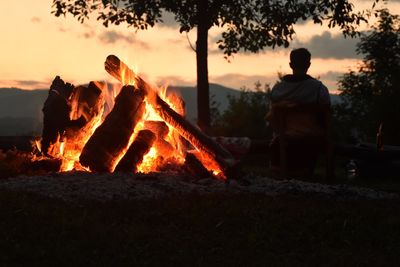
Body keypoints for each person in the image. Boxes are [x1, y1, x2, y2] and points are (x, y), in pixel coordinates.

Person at [266, 48, 331, 178]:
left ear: (290, 65)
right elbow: (326, 113)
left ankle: (282, 169)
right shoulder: (319, 89)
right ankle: (306, 171)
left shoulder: (278, 90)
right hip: (312, 136)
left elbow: (273, 119)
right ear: (308, 65)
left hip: (284, 137)